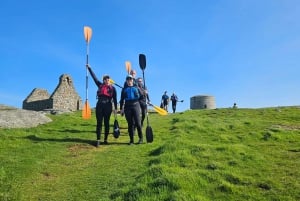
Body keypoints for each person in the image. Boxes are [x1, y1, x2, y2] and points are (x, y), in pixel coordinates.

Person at [86, 64, 117, 147]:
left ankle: (105, 139)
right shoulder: (100, 85)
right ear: (103, 80)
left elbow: (115, 99)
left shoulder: (113, 88)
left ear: (110, 80)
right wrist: (89, 68)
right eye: (105, 79)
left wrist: (116, 109)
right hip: (99, 104)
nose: (107, 80)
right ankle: (98, 140)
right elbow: (94, 77)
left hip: (108, 105)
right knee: (99, 123)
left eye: (108, 79)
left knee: (106, 123)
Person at [119, 75, 143, 145]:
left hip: (136, 105)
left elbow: (142, 96)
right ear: (126, 81)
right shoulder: (124, 89)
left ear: (133, 80)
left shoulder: (137, 88)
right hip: (127, 106)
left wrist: (142, 106)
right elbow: (121, 100)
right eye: (128, 80)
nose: (129, 81)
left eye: (130, 80)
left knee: (138, 123)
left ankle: (140, 138)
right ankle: (131, 140)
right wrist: (121, 109)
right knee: (130, 124)